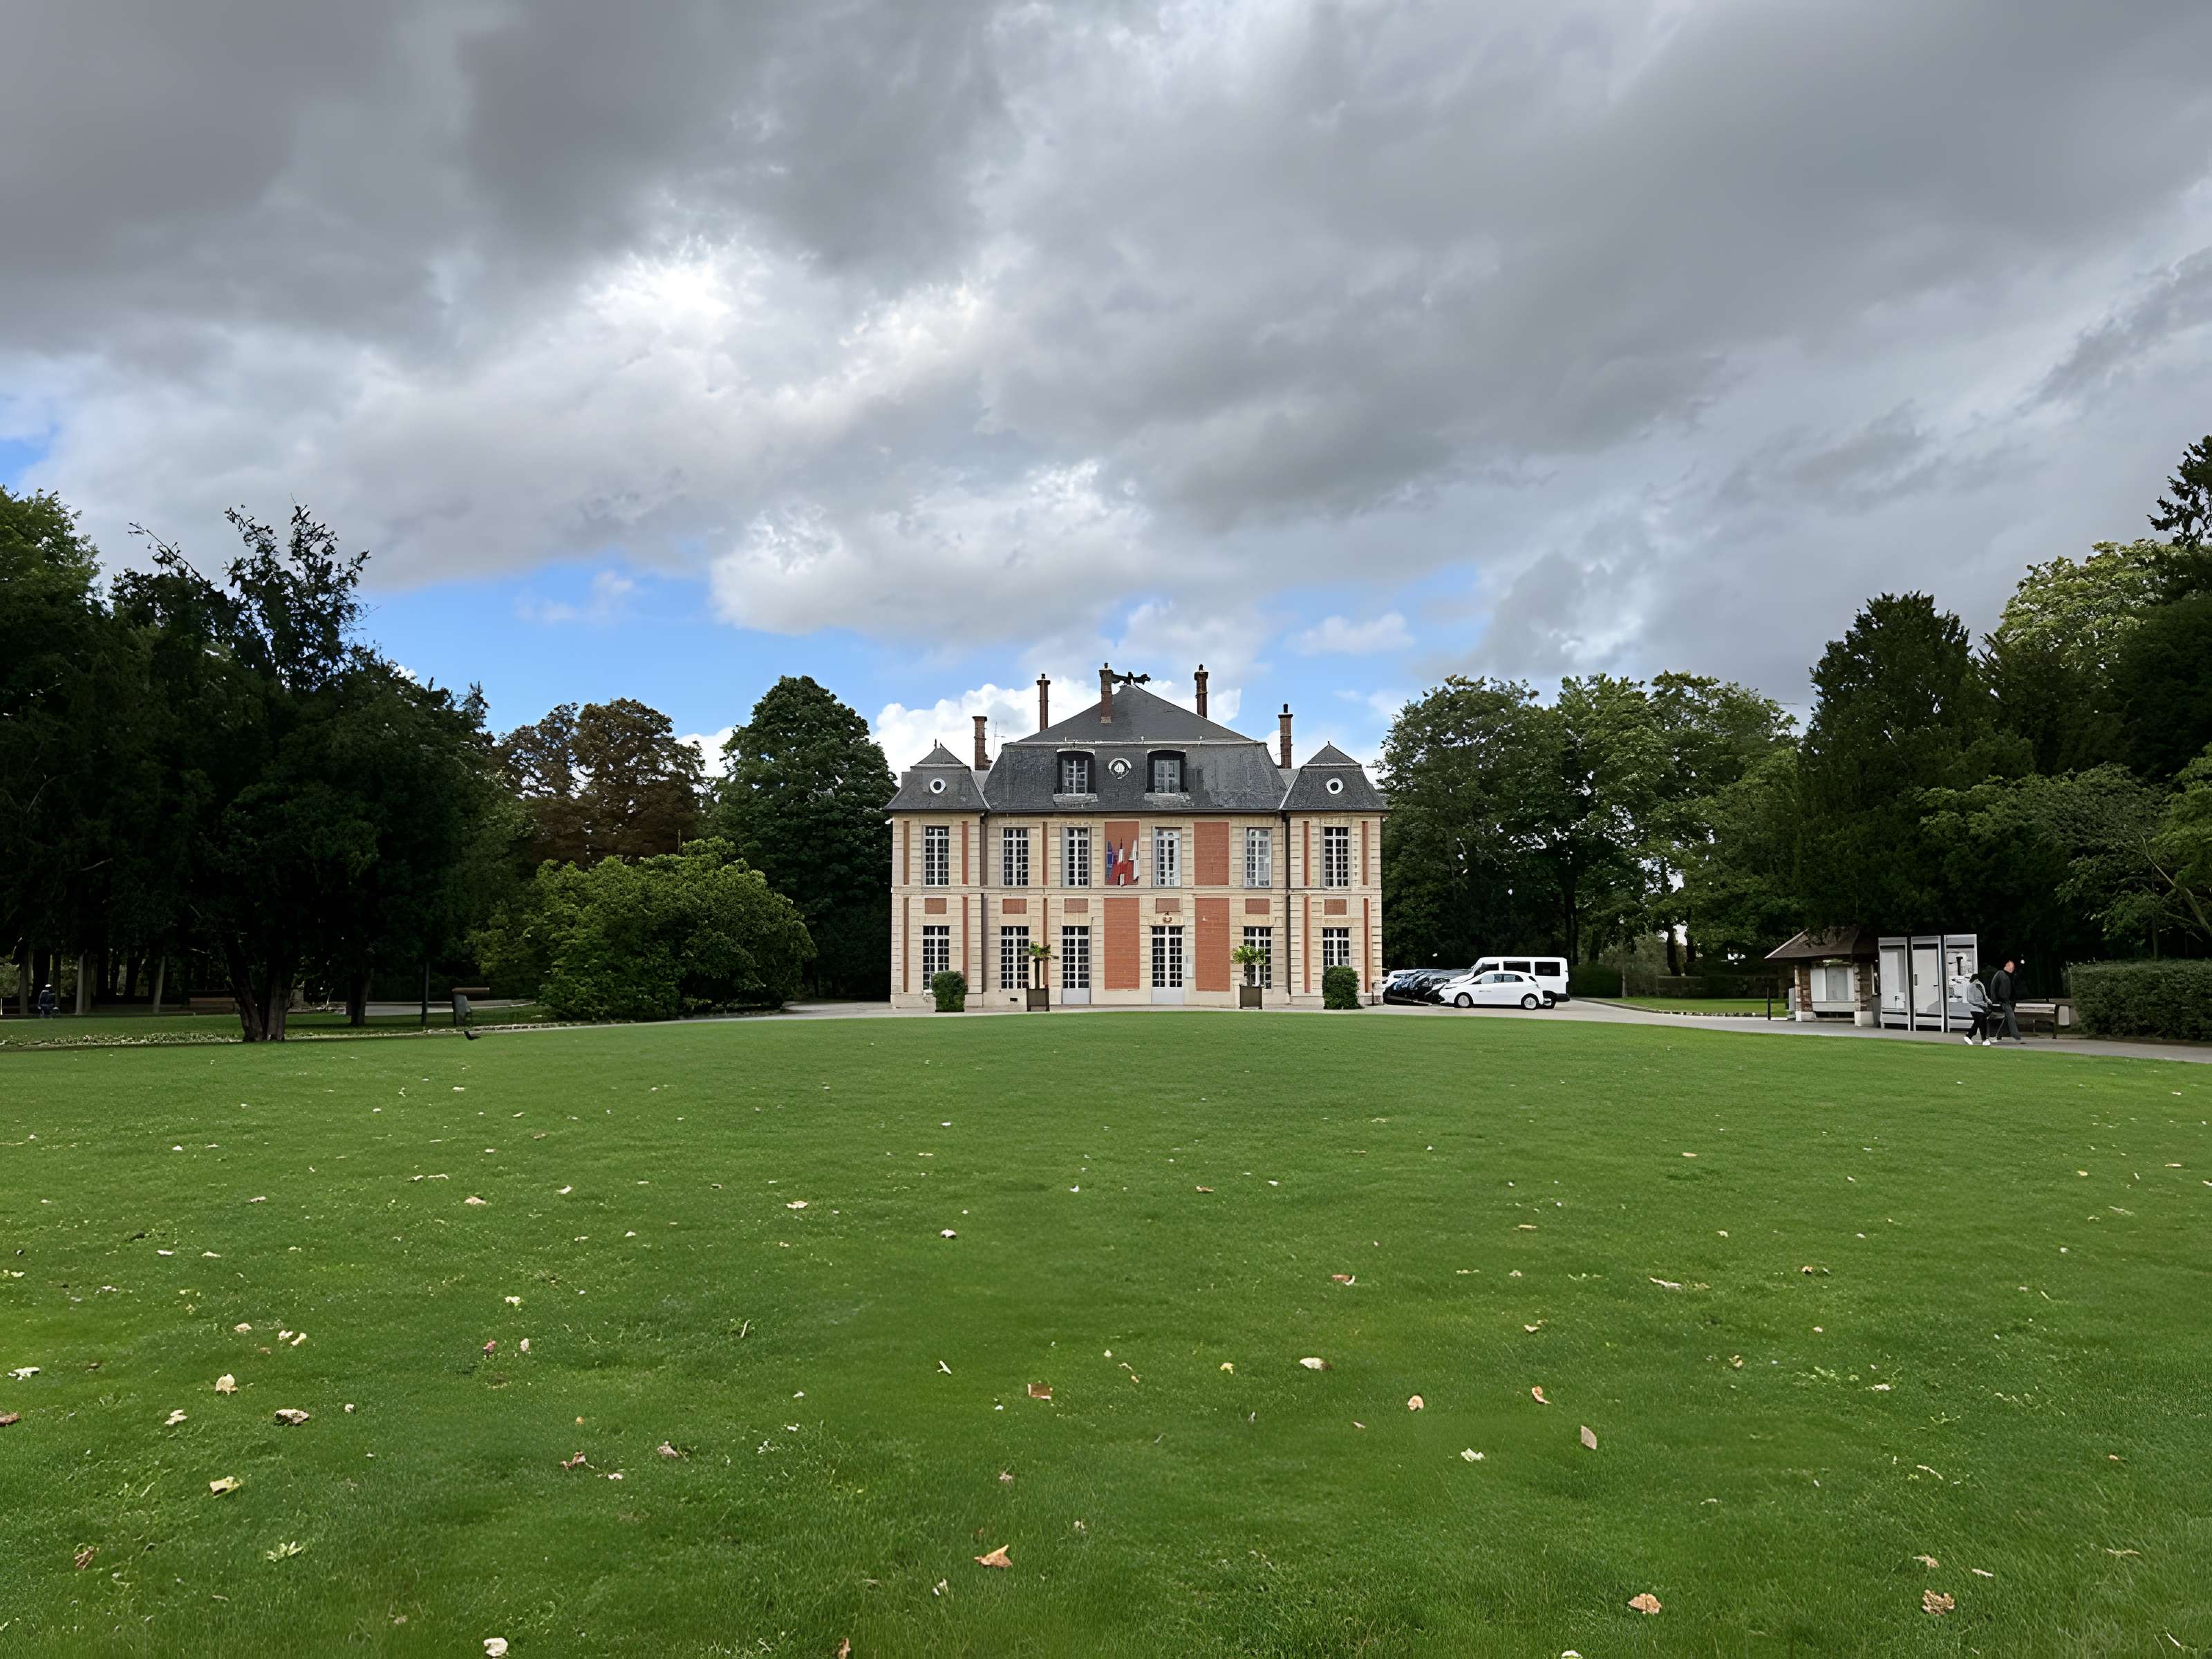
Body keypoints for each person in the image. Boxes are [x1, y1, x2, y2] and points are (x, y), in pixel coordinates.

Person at [1987, 958, 2022, 1044]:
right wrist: (2000, 1000)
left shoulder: (2005, 976)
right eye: (2011, 967)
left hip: (2003, 1001)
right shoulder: (2002, 975)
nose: (2012, 969)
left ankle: (1997, 1035)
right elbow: (1999, 990)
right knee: (2010, 1018)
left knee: (2004, 1019)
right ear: (2007, 967)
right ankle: (2016, 1036)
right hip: (2003, 1002)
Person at [1961, 974, 1991, 1044]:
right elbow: (1984, 996)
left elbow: (1970, 999)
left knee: (1980, 1023)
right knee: (1981, 1023)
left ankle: (1982, 1039)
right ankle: (1970, 1036)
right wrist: (1988, 1002)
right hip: (1980, 1008)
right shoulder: (1980, 985)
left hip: (1974, 1009)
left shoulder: (1970, 986)